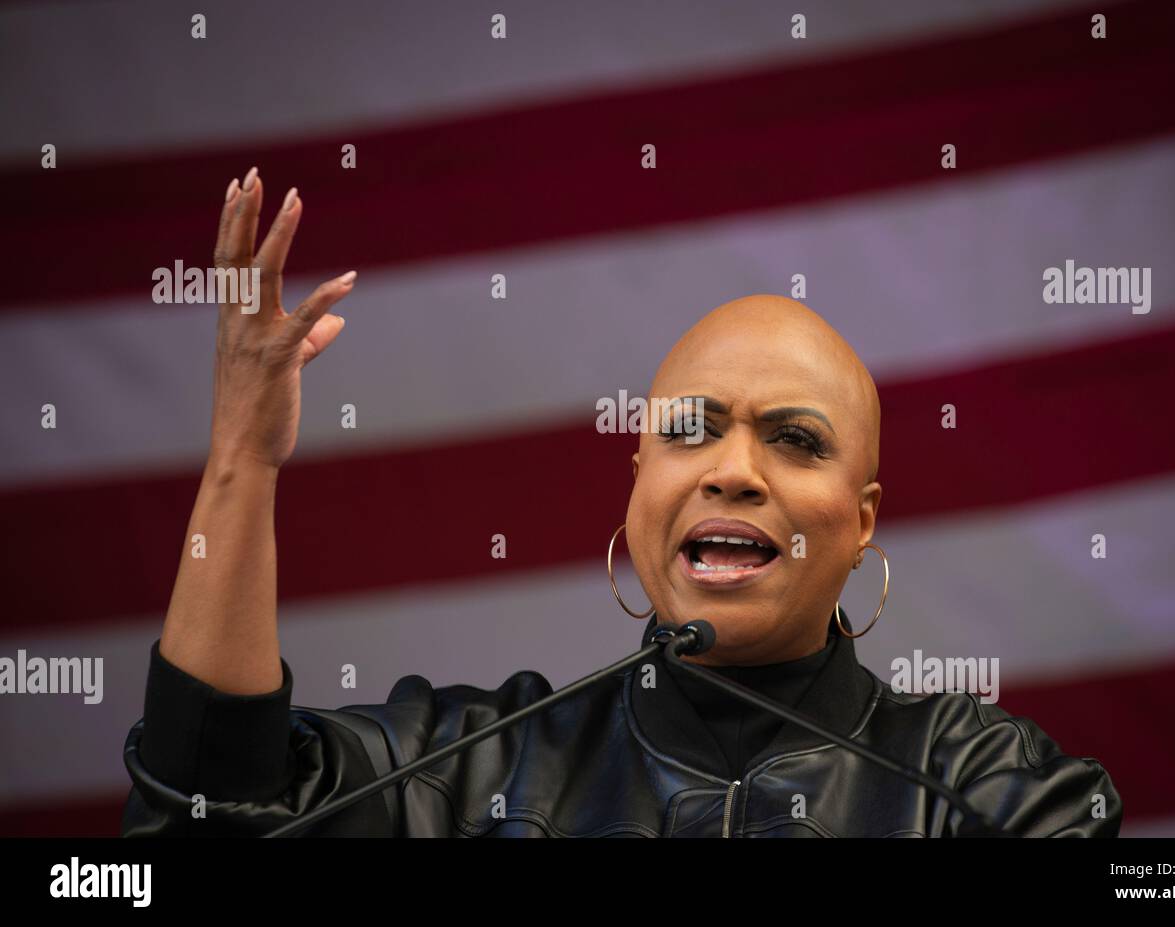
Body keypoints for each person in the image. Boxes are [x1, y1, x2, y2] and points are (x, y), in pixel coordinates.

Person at [120, 167, 1122, 837]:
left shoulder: (990, 790)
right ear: (638, 487)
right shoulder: (471, 769)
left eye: (794, 440)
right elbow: (205, 810)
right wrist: (241, 464)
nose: (731, 469)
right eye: (690, 429)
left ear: (861, 524)